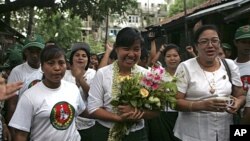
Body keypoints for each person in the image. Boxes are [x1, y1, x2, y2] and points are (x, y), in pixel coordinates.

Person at [173, 24, 246, 141]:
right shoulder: (185, 67)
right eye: (204, 41)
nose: (210, 45)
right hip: (192, 135)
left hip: (225, 132)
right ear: (196, 46)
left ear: (219, 44)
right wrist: (202, 105)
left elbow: (241, 95)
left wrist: (238, 103)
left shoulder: (230, 65)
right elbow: (175, 102)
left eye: (214, 41)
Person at [87, 27, 159, 141]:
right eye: (126, 49)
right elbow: (93, 108)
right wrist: (118, 118)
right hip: (105, 133)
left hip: (136, 134)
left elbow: (155, 111)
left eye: (136, 49)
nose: (131, 54)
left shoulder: (147, 75)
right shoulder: (102, 73)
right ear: (116, 49)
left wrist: (139, 113)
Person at [8, 45, 87, 141]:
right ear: (42, 67)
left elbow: (82, 111)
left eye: (61, 63)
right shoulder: (29, 96)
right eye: (51, 63)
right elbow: (21, 135)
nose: (57, 68)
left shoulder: (73, 89)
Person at [6, 34, 45, 137]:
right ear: (26, 52)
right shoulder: (17, 71)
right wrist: (12, 131)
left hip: (42, 124)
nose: (35, 55)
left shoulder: (47, 70)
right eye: (31, 51)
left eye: (38, 51)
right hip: (23, 124)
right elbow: (12, 104)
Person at [146, 43, 181, 141]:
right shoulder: (158, 73)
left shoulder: (185, 73)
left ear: (180, 57)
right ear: (164, 59)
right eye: (168, 56)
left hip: (181, 116)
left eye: (175, 55)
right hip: (161, 116)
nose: (172, 59)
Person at [63, 42, 96, 141]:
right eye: (77, 55)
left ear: (88, 60)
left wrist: (80, 80)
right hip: (66, 123)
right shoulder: (64, 74)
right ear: (72, 58)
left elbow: (93, 96)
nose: (80, 58)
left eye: (84, 56)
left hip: (87, 124)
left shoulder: (93, 74)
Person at [233, 25, 250, 124]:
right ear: (236, 42)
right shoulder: (230, 67)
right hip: (236, 115)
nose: (247, 45)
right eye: (244, 42)